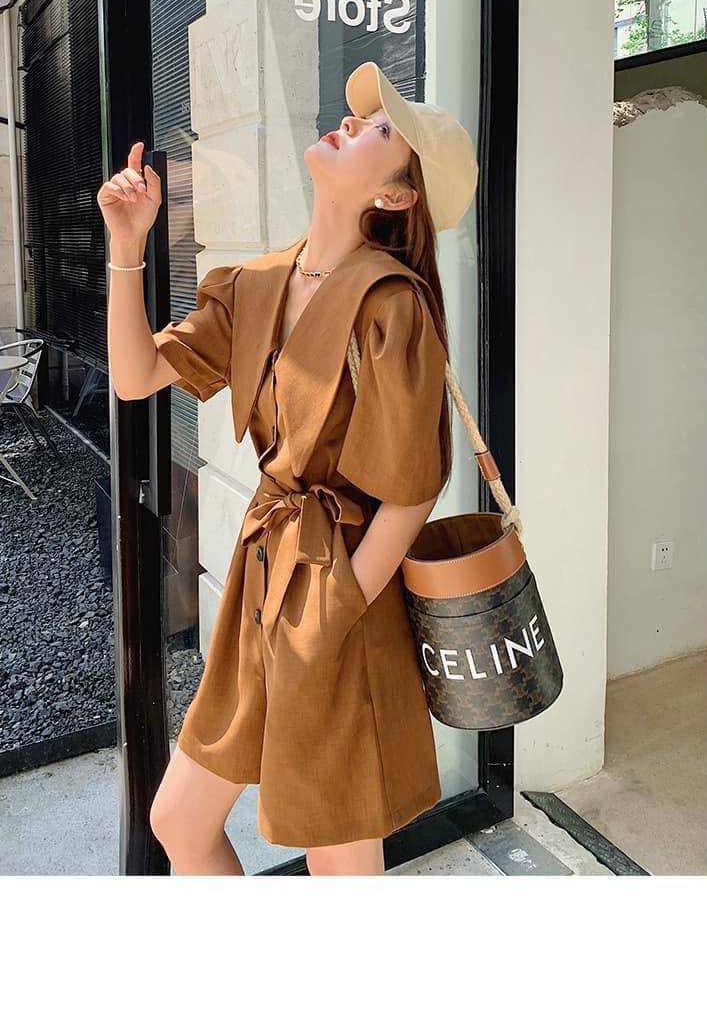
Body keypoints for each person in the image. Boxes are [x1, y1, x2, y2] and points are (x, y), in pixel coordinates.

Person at [98, 60, 478, 876]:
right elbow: (136, 375)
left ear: (397, 196)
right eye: (360, 116)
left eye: (381, 130)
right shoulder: (260, 282)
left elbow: (411, 494)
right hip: (264, 581)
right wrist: (126, 248)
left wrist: (334, 611)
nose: (352, 122)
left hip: (339, 590)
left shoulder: (392, 306)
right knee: (179, 820)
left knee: (335, 856)